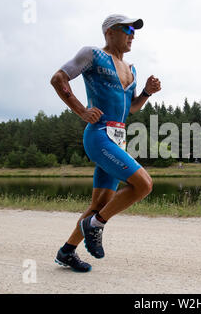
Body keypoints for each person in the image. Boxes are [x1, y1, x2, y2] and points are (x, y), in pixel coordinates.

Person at [50, 14, 161, 272]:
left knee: (99, 204)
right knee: (144, 184)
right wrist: (81, 110)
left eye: (135, 31)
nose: (133, 34)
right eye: (128, 29)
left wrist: (146, 93)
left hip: (118, 139)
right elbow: (58, 78)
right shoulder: (92, 55)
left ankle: (67, 251)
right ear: (110, 31)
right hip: (99, 136)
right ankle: (96, 225)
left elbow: (131, 108)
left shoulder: (132, 69)